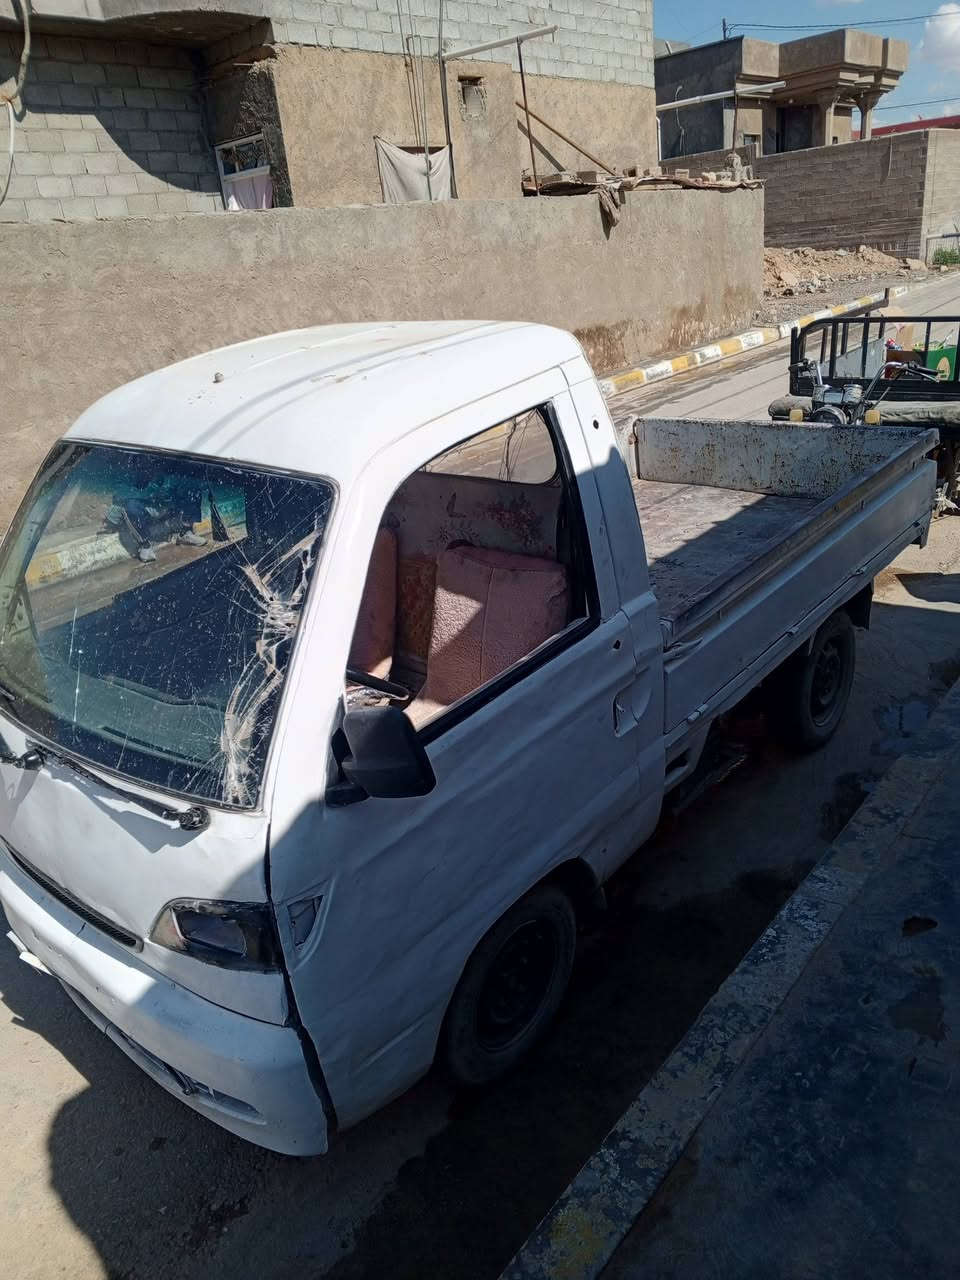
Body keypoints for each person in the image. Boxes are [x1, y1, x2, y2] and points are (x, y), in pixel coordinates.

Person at [104, 467, 207, 563]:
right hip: (146, 510)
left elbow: (182, 483)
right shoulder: (129, 473)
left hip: (166, 506)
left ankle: (185, 533)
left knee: (192, 487)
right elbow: (120, 499)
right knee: (130, 506)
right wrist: (151, 493)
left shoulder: (167, 467)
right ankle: (145, 546)